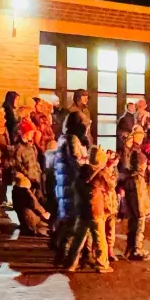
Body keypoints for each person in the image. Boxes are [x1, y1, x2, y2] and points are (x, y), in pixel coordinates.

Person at [51, 113, 89, 265]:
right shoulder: (72, 140)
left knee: (67, 219)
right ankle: (65, 255)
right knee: (72, 220)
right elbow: (77, 161)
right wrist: (92, 163)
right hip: (71, 184)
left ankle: (62, 253)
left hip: (64, 182)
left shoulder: (63, 138)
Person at [9, 124, 51, 237]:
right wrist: (27, 176)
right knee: (29, 202)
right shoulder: (18, 148)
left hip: (35, 179)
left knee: (37, 200)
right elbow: (17, 165)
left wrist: (39, 174)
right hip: (27, 180)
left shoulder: (31, 147)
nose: (32, 134)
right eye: (31, 132)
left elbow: (36, 162)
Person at [117, 127, 150, 260]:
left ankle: (130, 248)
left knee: (133, 222)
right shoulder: (137, 180)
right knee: (138, 223)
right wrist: (144, 212)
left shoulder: (132, 178)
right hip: (138, 209)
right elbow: (139, 204)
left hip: (134, 208)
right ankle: (136, 248)